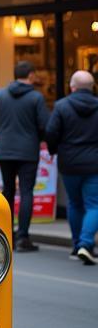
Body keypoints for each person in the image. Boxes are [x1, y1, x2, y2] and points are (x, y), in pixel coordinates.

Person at [0, 60, 50, 252]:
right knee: (26, 191)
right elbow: (44, 125)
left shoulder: (1, 94)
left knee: (8, 191)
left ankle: (7, 234)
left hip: (5, 149)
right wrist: (36, 138)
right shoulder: (36, 98)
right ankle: (23, 237)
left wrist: (2, 132)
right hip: (28, 151)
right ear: (30, 75)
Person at [45, 70, 98, 265]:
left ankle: (77, 245)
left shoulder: (61, 106)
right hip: (94, 163)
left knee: (75, 204)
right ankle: (86, 243)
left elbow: (51, 133)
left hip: (69, 163)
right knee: (94, 204)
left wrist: (53, 150)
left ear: (72, 87)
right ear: (92, 88)